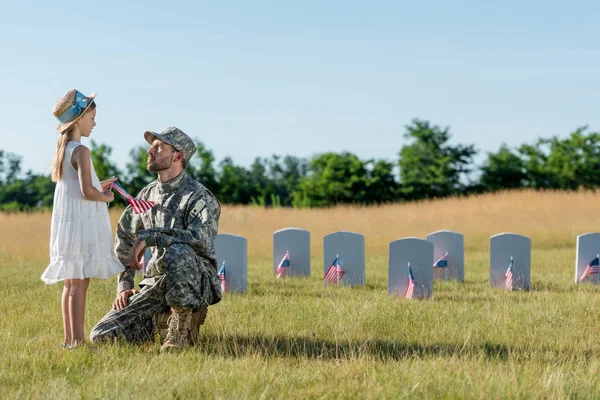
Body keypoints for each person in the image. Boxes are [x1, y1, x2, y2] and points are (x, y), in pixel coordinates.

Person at [89, 126, 222, 353]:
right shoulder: (146, 195)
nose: (151, 151)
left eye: (159, 147)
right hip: (154, 283)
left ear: (178, 156)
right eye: (151, 146)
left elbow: (201, 240)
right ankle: (159, 323)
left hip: (194, 279)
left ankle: (181, 327)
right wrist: (125, 286)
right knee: (100, 336)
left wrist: (152, 237)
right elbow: (125, 238)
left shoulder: (198, 195)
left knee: (177, 250)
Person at [41, 89, 124, 349]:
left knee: (71, 282)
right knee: (80, 282)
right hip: (81, 225)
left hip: (68, 226)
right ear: (78, 120)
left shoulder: (65, 151)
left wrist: (100, 184)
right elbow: (88, 192)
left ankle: (69, 340)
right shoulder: (82, 151)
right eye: (92, 117)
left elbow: (82, 186)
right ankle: (78, 341)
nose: (95, 123)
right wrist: (108, 196)